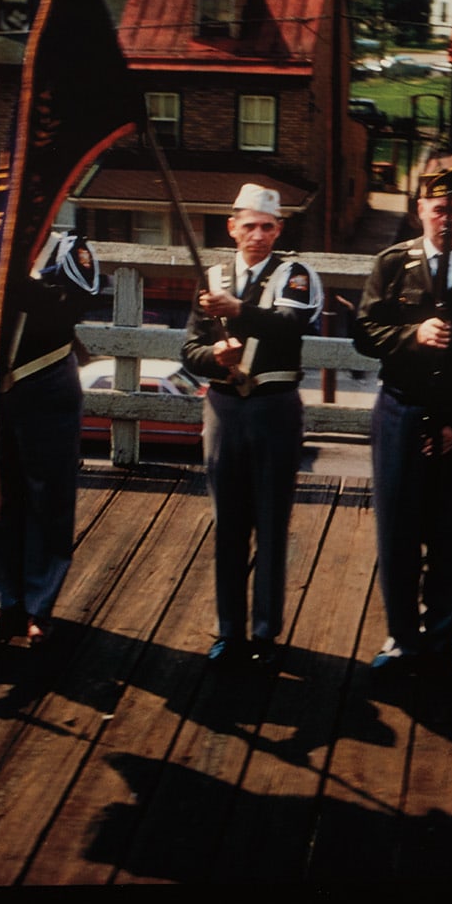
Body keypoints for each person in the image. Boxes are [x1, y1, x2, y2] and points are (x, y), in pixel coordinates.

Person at [353, 166, 452, 675]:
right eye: (440, 209)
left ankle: (442, 645)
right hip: (400, 412)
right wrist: (412, 335)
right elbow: (363, 333)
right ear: (420, 210)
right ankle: (402, 640)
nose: (449, 219)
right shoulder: (393, 265)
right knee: (398, 533)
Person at [0, 232, 102, 646]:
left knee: (49, 496)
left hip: (46, 381)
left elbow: (73, 308)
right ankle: (1, 601)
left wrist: (12, 285)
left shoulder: (68, 248)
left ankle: (38, 607)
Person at [181, 184, 322, 667]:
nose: (257, 235)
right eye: (249, 226)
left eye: (267, 227)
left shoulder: (295, 274)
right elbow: (189, 351)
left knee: (271, 521)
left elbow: (289, 324)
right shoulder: (212, 276)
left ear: (279, 229)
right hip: (224, 409)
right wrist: (214, 355)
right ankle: (228, 630)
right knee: (228, 524)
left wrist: (238, 312)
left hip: (274, 407)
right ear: (232, 227)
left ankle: (264, 631)